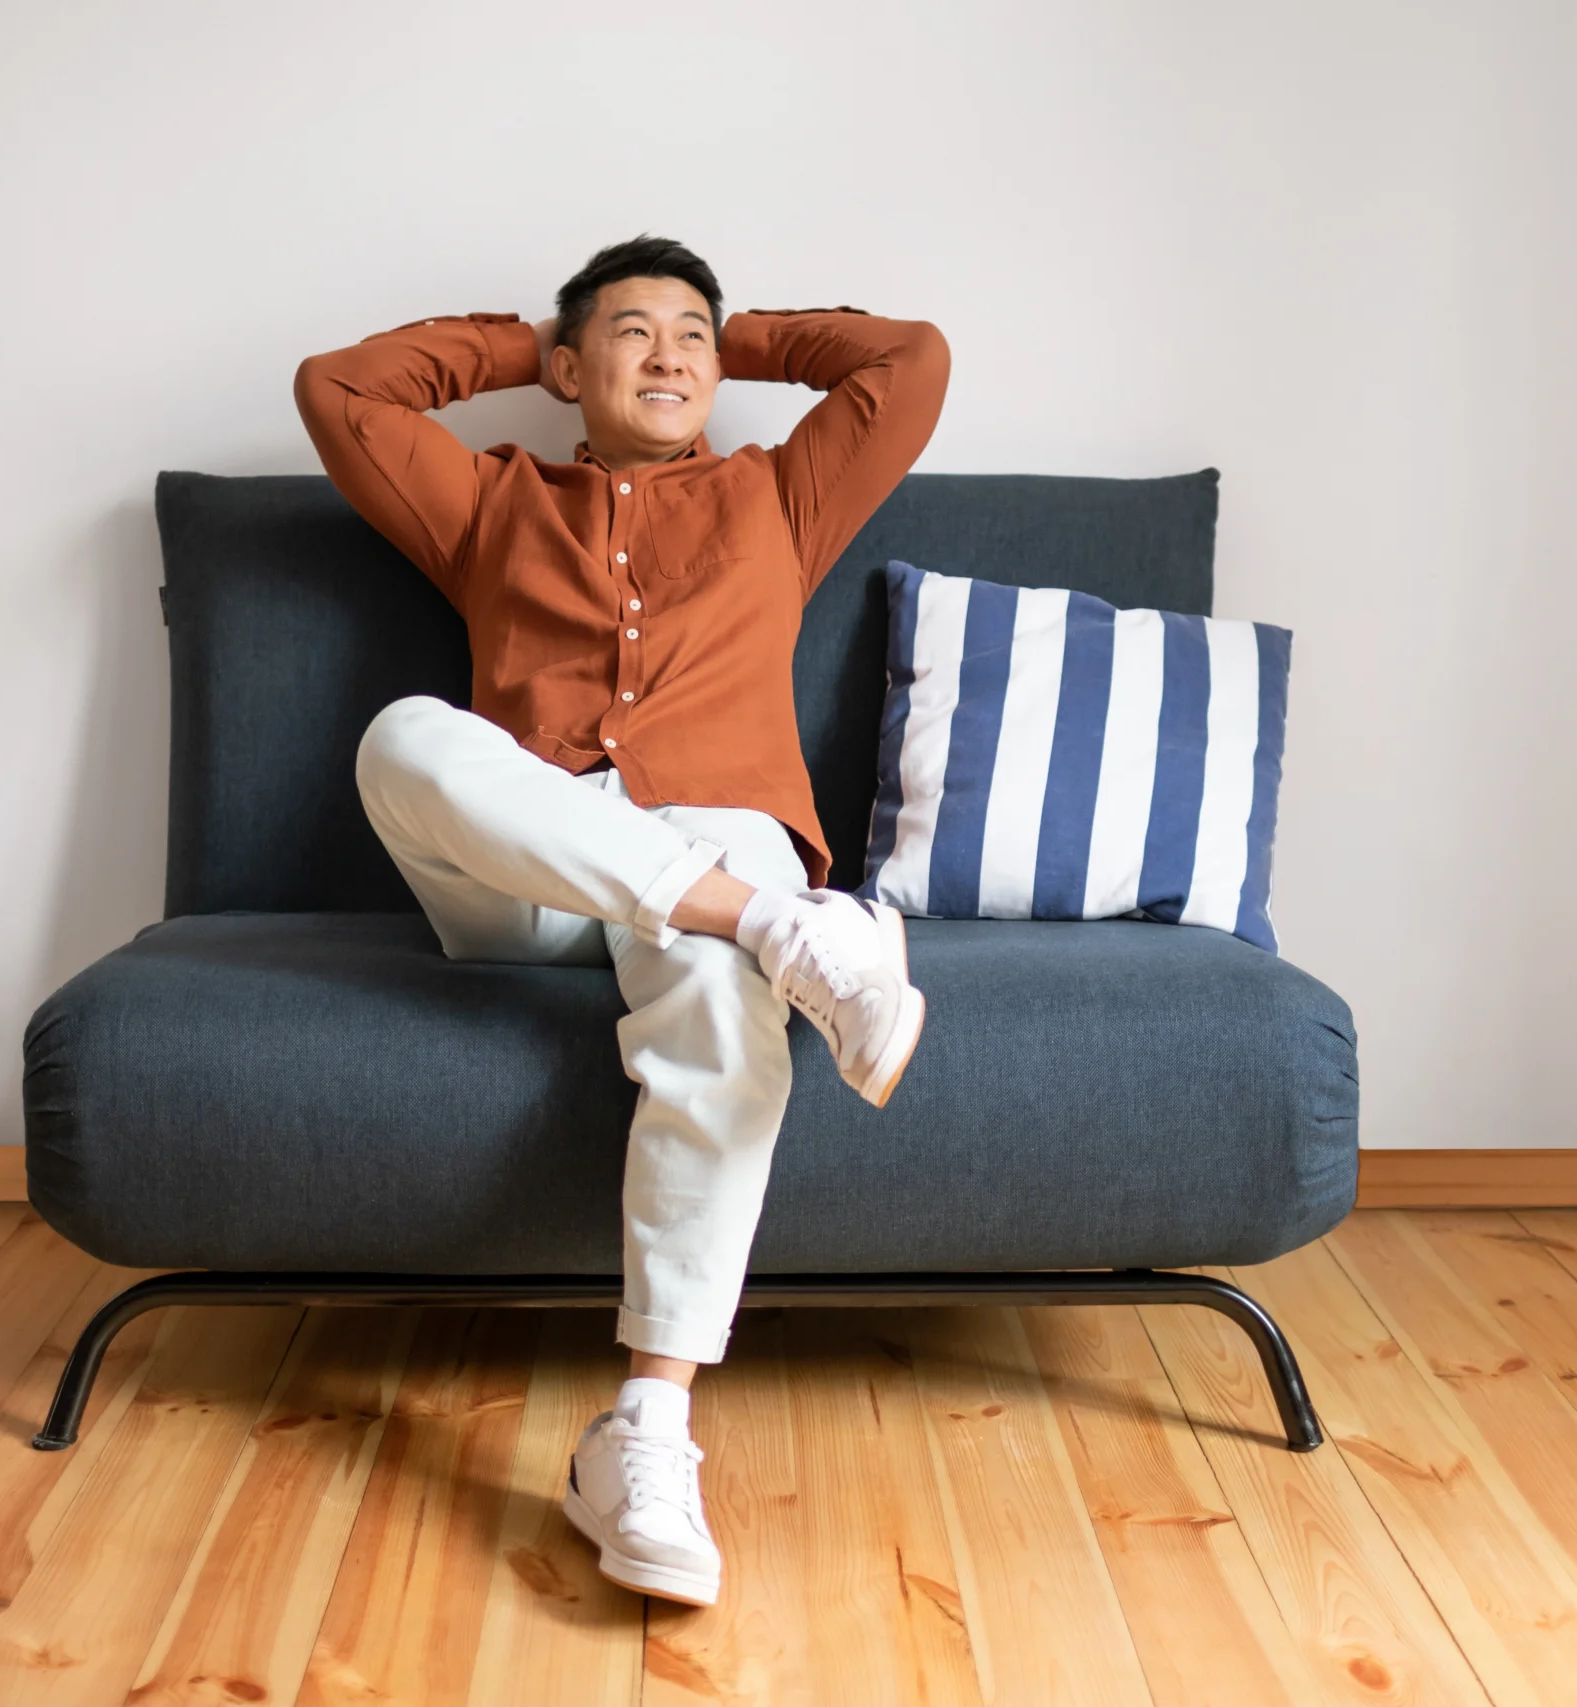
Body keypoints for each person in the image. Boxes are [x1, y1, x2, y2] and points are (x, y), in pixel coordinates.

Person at [294, 235, 948, 1606]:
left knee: (716, 987)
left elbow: (910, 359)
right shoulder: (488, 502)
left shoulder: (783, 494)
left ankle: (644, 1430)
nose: (669, 355)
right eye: (632, 333)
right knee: (408, 736)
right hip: (530, 879)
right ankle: (789, 926)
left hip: (713, 833)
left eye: (691, 338)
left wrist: (742, 332)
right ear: (571, 365)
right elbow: (341, 394)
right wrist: (527, 347)